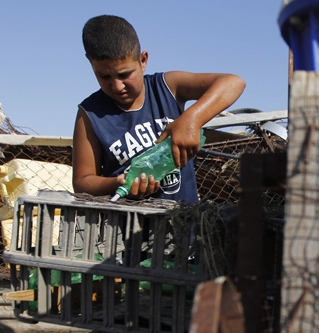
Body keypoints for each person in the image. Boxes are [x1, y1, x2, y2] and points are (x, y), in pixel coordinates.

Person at [72, 15, 245, 202]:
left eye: (125, 74)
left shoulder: (167, 87)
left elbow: (234, 83)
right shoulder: (89, 114)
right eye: (104, 76)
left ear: (143, 60)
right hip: (124, 226)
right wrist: (118, 184)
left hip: (182, 222)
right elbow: (82, 181)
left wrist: (191, 120)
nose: (117, 86)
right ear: (91, 64)